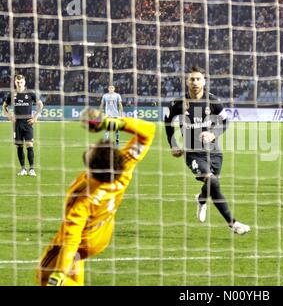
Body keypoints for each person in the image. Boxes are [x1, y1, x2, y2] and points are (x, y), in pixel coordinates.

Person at [36, 108, 156, 285]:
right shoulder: (123, 166)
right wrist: (113, 123)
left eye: (92, 150)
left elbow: (71, 237)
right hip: (101, 237)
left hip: (82, 242)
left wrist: (60, 272)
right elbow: (149, 130)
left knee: (43, 275)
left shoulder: (82, 196)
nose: (90, 147)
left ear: (93, 169)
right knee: (75, 262)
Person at [164, 66, 250, 235]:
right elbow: (168, 123)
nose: (195, 82)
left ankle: (201, 199)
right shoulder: (178, 103)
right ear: (187, 82)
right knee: (213, 182)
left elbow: (226, 122)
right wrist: (173, 144)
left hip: (215, 152)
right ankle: (233, 224)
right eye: (192, 79)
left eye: (198, 79)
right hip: (193, 153)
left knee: (211, 185)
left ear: (204, 81)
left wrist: (213, 133)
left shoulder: (213, 101)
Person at [2, 74, 44, 176]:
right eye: (17, 82)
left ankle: (32, 169)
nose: (19, 84)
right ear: (15, 83)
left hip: (28, 123)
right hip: (17, 124)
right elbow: (4, 107)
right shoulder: (12, 94)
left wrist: (35, 117)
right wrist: (9, 116)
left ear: (24, 82)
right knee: (19, 146)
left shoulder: (30, 93)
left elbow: (41, 105)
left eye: (21, 82)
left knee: (29, 145)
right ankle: (23, 169)